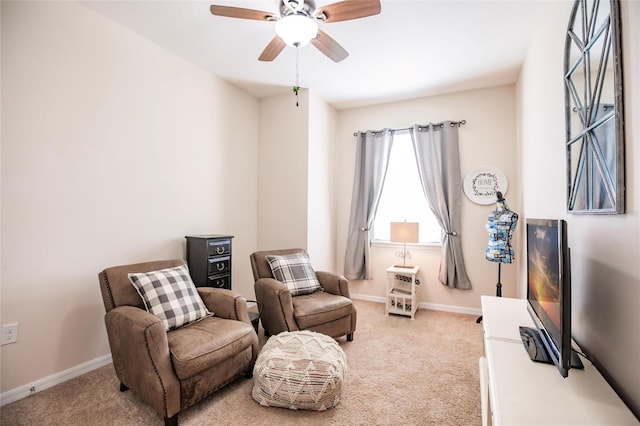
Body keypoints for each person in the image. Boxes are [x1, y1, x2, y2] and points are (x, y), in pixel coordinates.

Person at [485, 192, 518, 263]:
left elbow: (509, 235)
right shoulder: (491, 215)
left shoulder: (512, 215)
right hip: (490, 251)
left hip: (504, 252)